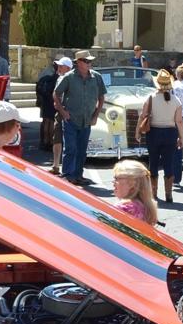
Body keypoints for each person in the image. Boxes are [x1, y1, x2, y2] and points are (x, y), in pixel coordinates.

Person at [53, 50, 107, 186]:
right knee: (71, 148)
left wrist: (95, 115)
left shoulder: (97, 77)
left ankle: (78, 175)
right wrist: (63, 112)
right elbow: (56, 94)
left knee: (82, 150)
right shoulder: (69, 77)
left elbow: (101, 97)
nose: (89, 63)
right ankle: (67, 175)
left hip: (87, 119)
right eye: (86, 61)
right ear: (78, 63)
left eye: (90, 61)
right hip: (71, 119)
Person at [138, 69, 183, 203]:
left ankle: (154, 193)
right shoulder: (176, 100)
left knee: (153, 162)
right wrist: (181, 137)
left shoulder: (151, 98)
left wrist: (137, 131)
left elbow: (143, 116)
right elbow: (179, 121)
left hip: (154, 132)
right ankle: (168, 194)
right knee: (168, 163)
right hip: (170, 133)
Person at [37, 56, 71, 174]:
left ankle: (68, 168)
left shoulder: (71, 79)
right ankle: (56, 165)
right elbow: (56, 94)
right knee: (56, 139)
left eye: (61, 66)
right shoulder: (58, 78)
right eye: (58, 66)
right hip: (59, 113)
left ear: (67, 67)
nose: (58, 68)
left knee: (69, 141)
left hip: (68, 113)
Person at [111, 159, 158, 226]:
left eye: (116, 178)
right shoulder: (147, 205)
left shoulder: (124, 209)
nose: (113, 182)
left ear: (132, 184)